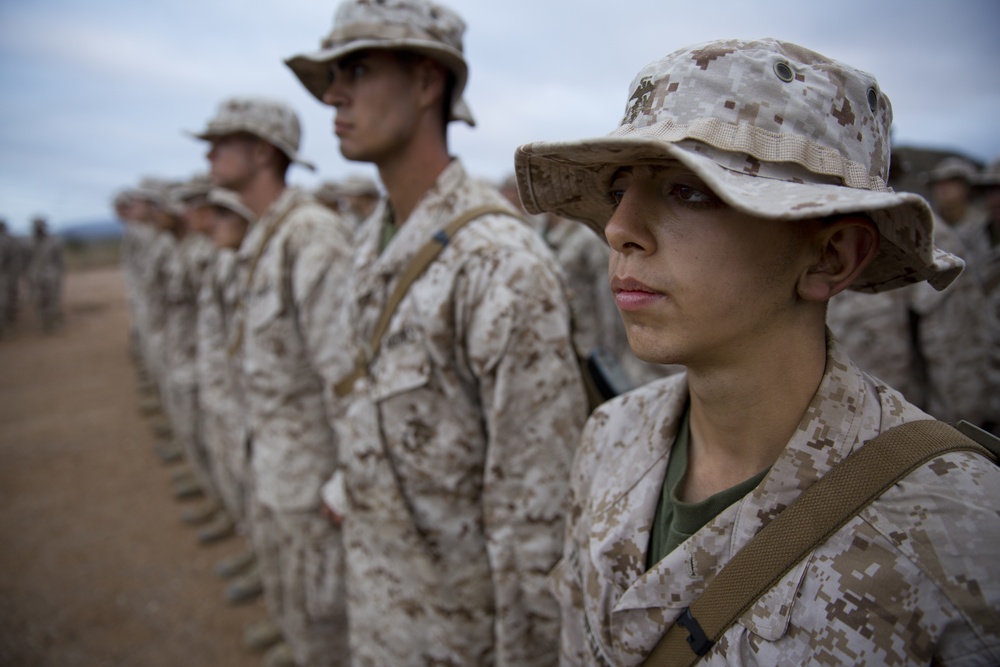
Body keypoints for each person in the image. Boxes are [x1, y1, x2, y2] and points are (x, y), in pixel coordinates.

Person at [514, 38, 1000, 665]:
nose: (618, 229)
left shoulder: (959, 530)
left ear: (830, 256)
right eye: (618, 189)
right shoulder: (610, 439)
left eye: (689, 191)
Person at [285, 1, 589, 664]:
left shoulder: (499, 265)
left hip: (464, 640)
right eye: (333, 75)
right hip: (384, 619)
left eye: (357, 69)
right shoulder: (368, 248)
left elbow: (535, 527)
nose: (333, 94)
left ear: (427, 83)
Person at [190, 95, 352, 667]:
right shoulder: (267, 237)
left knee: (327, 619)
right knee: (292, 601)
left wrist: (344, 482)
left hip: (314, 481)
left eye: (221, 142)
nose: (208, 154)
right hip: (276, 463)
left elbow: (347, 374)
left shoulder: (310, 237)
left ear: (262, 152)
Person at [26, 216, 63, 332]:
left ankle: (51, 323)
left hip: (51, 274)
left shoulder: (54, 241)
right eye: (37, 226)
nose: (39, 228)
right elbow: (24, 260)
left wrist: (58, 273)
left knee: (51, 299)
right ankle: (41, 323)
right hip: (35, 275)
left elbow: (59, 259)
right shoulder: (28, 242)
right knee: (38, 300)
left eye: (41, 226)